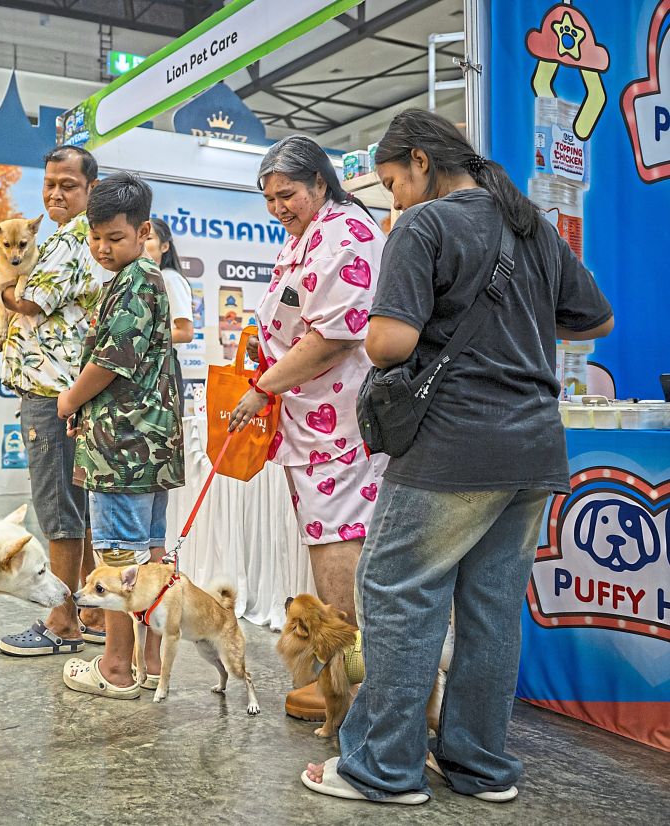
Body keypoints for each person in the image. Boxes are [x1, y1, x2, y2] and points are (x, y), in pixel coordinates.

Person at [301, 110, 613, 804]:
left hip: (454, 444)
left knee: (396, 593)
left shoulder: (425, 225)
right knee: (492, 607)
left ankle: (382, 769)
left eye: (392, 184)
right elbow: (597, 318)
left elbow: (388, 345)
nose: (395, 200)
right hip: (533, 447)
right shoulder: (531, 224)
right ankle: (479, 766)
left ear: (419, 161)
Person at [227, 135, 388, 723]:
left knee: (339, 543)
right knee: (328, 541)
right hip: (312, 423)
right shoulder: (306, 238)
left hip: (341, 426)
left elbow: (334, 336)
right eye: (269, 199)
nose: (278, 208)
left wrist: (263, 386)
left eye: (287, 194)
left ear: (322, 183)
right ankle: (341, 677)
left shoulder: (347, 235)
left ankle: (345, 684)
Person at [58, 172, 184, 699]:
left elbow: (113, 359)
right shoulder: (144, 279)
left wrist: (70, 399)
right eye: (96, 238)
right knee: (148, 559)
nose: (103, 248)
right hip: (143, 447)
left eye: (115, 237)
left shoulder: (135, 281)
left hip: (122, 450)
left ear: (143, 230)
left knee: (116, 560)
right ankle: (150, 662)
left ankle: (114, 666)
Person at [0, 146, 111, 657]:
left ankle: (61, 623)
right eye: (50, 184)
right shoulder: (66, 240)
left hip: (49, 392)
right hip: (60, 389)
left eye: (68, 185)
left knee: (58, 509)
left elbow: (28, 300)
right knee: (73, 506)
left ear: (90, 190)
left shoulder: (67, 243)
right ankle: (92, 611)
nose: (56, 193)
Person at [144, 217, 194, 414]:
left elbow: (185, 332)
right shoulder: (145, 279)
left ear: (164, 246)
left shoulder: (170, 278)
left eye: (148, 237)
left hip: (163, 368)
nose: (142, 243)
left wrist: (143, 340)